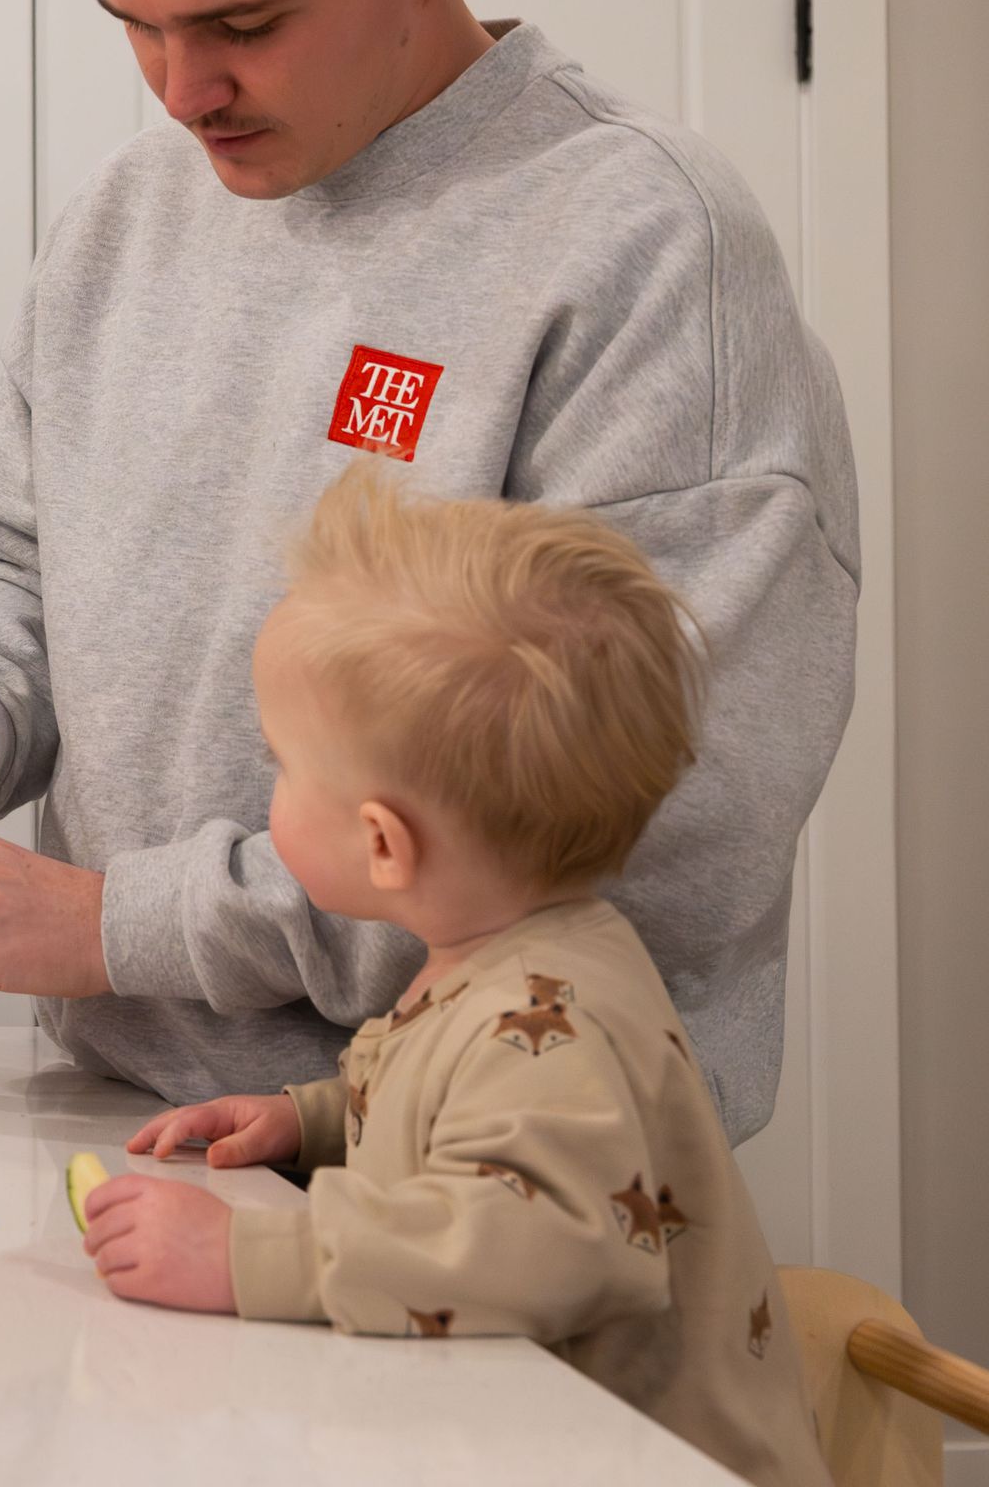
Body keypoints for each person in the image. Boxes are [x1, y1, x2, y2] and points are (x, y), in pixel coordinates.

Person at [0, 0, 857, 1134]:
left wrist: (122, 922)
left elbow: (652, 833)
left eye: (244, 26)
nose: (184, 95)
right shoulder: (125, 221)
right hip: (119, 1125)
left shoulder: (642, 246)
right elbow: (27, 565)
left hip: (484, 1174)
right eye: (139, 27)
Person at [76, 462, 827, 1487]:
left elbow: (544, 1237)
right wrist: (313, 1117)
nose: (270, 788)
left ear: (384, 844)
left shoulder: (550, 1011)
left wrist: (242, 1257)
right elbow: (459, 1100)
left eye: (283, 764)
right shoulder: (510, 962)